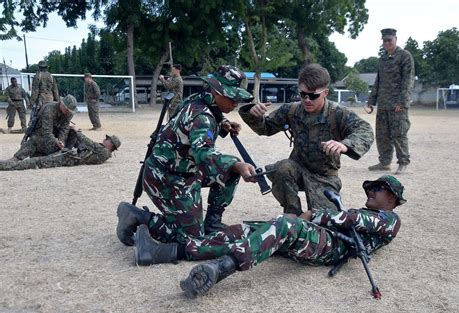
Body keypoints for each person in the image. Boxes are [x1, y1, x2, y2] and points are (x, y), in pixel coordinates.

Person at [178, 175, 405, 297]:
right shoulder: (372, 213)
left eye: (378, 188)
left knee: (286, 223)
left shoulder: (391, 220)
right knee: (254, 229)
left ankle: (220, 268)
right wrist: (316, 216)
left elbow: (352, 220)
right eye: (371, 187)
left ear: (392, 199)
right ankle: (174, 250)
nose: (371, 191)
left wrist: (313, 214)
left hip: (332, 246)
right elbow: (346, 217)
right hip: (323, 237)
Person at [117, 65, 256, 243]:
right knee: (191, 239)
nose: (236, 103)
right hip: (167, 178)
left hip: (181, 170)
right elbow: (204, 154)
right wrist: (237, 165)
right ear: (216, 91)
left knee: (230, 170)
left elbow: (200, 119)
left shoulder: (198, 99)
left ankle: (212, 223)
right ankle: (139, 218)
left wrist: (223, 123)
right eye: (232, 97)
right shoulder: (202, 118)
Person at [239, 63, 374, 215]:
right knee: (282, 168)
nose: (307, 100)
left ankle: (310, 218)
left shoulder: (338, 113)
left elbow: (365, 130)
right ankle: (292, 215)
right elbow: (266, 127)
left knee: (325, 221)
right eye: (303, 94)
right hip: (296, 170)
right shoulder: (292, 110)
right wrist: (254, 115)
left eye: (313, 95)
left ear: (325, 93)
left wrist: (345, 145)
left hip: (325, 177)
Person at [367, 28, 415, 175]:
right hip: (383, 104)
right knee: (382, 135)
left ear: (396, 39)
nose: (387, 43)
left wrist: (402, 102)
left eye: (390, 40)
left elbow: (408, 80)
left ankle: (403, 163)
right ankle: (385, 162)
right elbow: (378, 81)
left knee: (399, 134)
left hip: (397, 105)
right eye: (384, 40)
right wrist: (371, 101)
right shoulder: (382, 59)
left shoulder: (405, 56)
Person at [0, 126, 120, 170]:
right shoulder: (102, 151)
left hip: (66, 158)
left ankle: (5, 166)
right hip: (67, 155)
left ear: (111, 144)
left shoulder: (103, 152)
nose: (105, 139)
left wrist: (78, 132)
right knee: (39, 157)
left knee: (36, 162)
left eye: (107, 139)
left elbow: (88, 143)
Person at [11, 95, 77, 161]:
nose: (68, 113)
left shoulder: (69, 114)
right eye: (67, 110)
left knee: (74, 132)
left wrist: (61, 141)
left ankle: (67, 152)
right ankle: (18, 157)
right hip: (40, 134)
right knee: (34, 141)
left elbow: (64, 129)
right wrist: (56, 142)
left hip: (53, 133)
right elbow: (47, 132)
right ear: (62, 104)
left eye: (70, 111)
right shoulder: (49, 110)